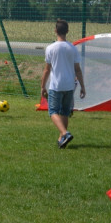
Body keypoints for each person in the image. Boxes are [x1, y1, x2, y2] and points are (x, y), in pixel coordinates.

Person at [41, 19, 85, 148]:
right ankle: (62, 139)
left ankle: (65, 133)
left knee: (53, 111)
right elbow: (77, 69)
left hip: (56, 85)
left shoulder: (50, 48)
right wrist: (82, 86)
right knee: (65, 112)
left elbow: (47, 69)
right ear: (67, 31)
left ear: (55, 31)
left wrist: (43, 86)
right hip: (69, 85)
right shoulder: (72, 48)